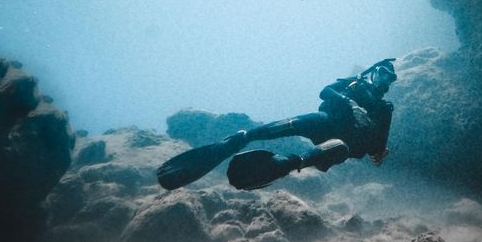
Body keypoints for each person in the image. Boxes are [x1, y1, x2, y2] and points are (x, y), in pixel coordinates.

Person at [157, 58, 397, 191]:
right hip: (326, 122)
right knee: (294, 123)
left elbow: (377, 148)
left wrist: (378, 149)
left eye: (391, 78)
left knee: (338, 147)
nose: (386, 79)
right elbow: (325, 92)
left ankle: (287, 163)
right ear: (374, 72)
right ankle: (240, 139)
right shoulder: (354, 84)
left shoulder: (385, 109)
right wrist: (351, 105)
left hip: (345, 143)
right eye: (383, 73)